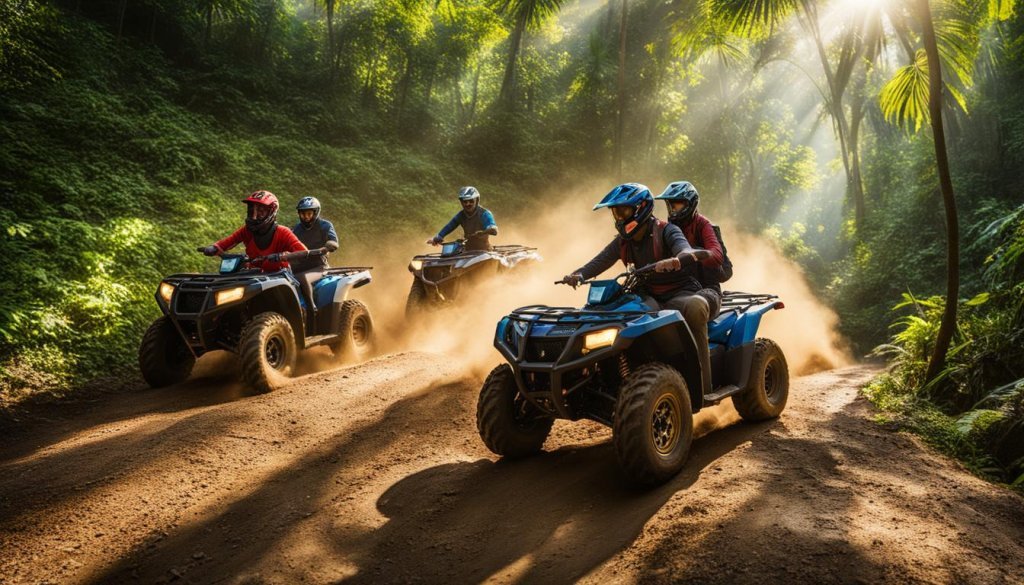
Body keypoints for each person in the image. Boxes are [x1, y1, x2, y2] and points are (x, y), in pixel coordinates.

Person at [561, 183, 714, 396]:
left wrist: (678, 258)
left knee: (697, 307)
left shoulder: (667, 230)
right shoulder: (624, 241)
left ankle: (703, 387)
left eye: (623, 211)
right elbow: (601, 260)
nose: (619, 218)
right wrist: (579, 274)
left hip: (679, 294)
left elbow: (683, 247)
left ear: (640, 208)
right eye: (615, 213)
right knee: (620, 317)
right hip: (647, 296)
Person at [654, 181, 725, 320]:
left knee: (695, 310)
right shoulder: (667, 228)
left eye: (677, 204)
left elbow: (717, 256)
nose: (673, 209)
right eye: (670, 205)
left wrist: (695, 254)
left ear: (690, 203)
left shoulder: (703, 225)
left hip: (707, 288)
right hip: (678, 289)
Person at [201, 190, 308, 273]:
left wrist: (284, 255)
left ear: (272, 211)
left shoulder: (283, 232)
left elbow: (303, 253)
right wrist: (214, 248)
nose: (254, 216)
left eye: (260, 211)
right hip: (252, 275)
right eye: (251, 210)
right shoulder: (247, 230)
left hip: (279, 277)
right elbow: (229, 241)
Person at [426, 186, 498, 251]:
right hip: (467, 249)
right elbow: (450, 226)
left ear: (477, 201)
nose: (467, 204)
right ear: (461, 202)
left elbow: (493, 229)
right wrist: (438, 237)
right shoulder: (461, 215)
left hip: (484, 250)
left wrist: (486, 231)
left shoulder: (484, 214)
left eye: (471, 201)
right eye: (465, 201)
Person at [290, 196, 339, 273]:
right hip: (297, 269)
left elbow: (333, 242)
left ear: (316, 213)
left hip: (319, 267)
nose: (306, 217)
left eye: (309, 214)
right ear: (299, 214)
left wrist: (327, 247)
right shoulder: (295, 229)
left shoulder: (325, 225)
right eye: (303, 214)